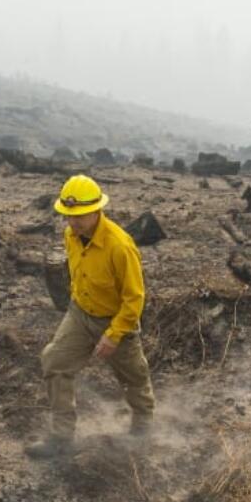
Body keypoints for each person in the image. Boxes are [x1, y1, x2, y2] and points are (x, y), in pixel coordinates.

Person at [26, 174, 155, 458]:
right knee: (54, 361)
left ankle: (144, 425)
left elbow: (135, 298)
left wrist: (113, 334)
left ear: (97, 209)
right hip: (80, 313)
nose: (73, 222)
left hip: (116, 319)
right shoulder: (70, 235)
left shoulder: (120, 246)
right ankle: (61, 437)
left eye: (80, 216)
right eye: (68, 216)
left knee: (134, 377)